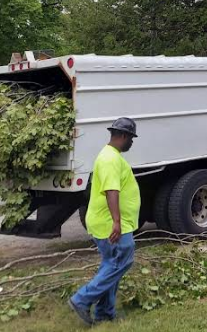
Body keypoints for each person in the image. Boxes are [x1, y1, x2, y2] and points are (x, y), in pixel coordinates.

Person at [68, 117, 140, 325]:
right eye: (132, 138)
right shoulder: (109, 158)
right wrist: (116, 222)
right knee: (122, 261)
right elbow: (111, 191)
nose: (132, 143)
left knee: (112, 265)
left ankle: (104, 313)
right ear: (124, 136)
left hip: (113, 222)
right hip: (111, 224)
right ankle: (81, 299)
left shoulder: (111, 155)